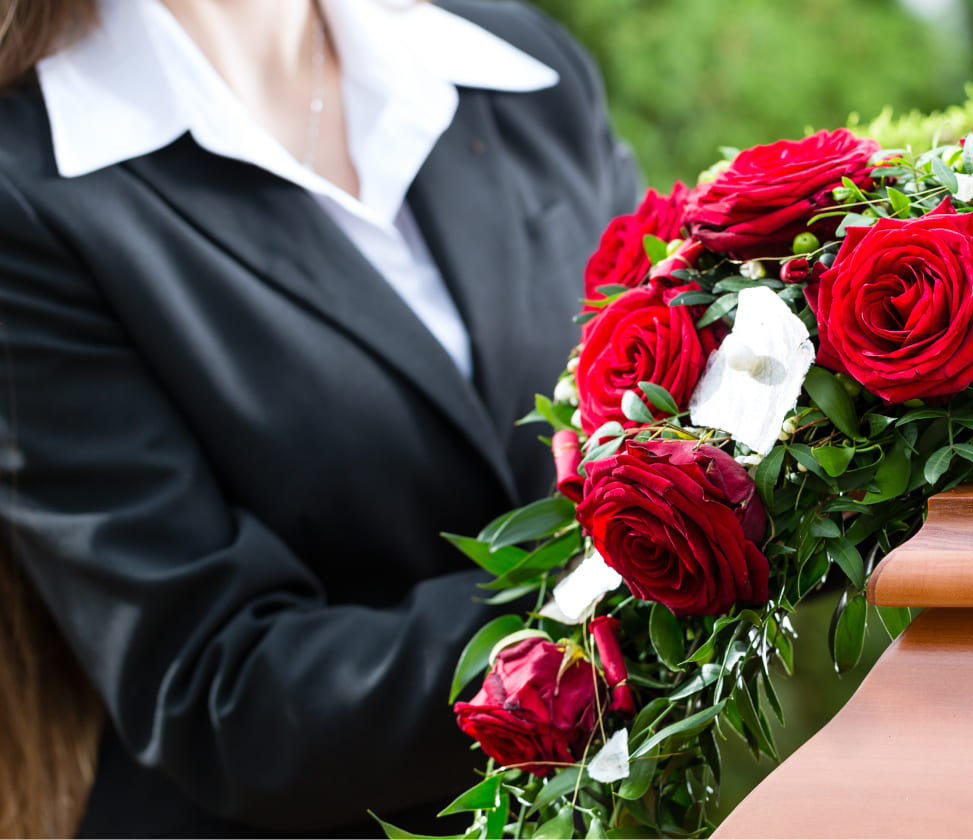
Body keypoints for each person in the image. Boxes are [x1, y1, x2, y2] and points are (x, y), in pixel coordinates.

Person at [0, 0, 639, 835]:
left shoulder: (517, 64)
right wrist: (652, 588)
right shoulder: (33, 186)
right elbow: (224, 694)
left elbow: (662, 406)